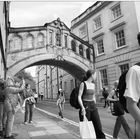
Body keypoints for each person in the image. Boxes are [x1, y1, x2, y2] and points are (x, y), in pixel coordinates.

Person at [78, 69, 106, 139]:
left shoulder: (93, 85)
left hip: (93, 106)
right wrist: (82, 107)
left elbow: (93, 96)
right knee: (86, 127)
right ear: (92, 75)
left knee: (98, 126)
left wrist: (95, 104)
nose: (96, 76)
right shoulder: (83, 84)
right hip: (85, 106)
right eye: (95, 75)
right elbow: (79, 96)